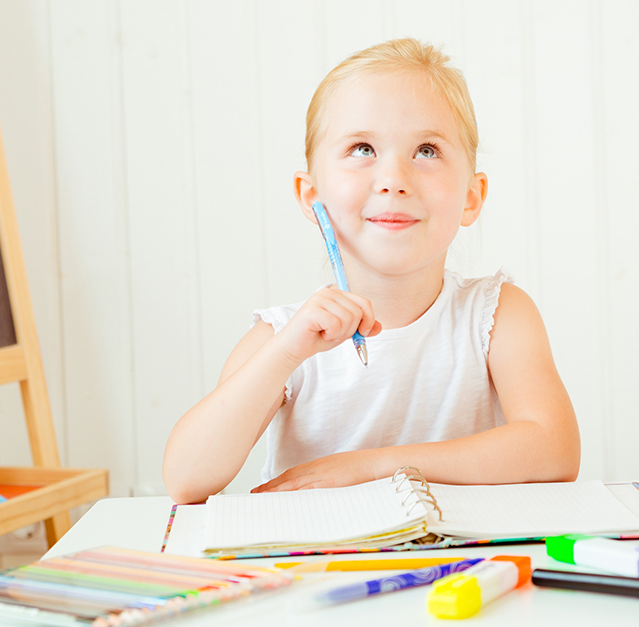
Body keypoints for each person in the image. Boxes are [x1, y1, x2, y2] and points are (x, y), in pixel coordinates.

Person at [163, 38, 579, 505]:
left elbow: (555, 451)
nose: (394, 179)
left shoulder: (498, 315)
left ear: (471, 196)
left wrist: (376, 468)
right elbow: (186, 479)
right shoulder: (282, 338)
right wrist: (285, 354)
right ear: (311, 196)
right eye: (362, 148)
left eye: (426, 150)